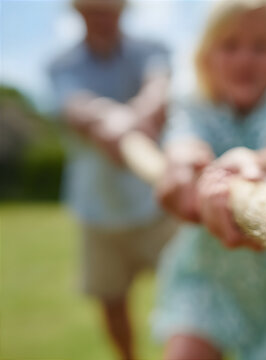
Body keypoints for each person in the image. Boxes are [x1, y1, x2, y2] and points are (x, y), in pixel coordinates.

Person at [152, 1, 266, 359]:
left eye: (262, 47)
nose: (244, 59)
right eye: (230, 45)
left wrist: (255, 166)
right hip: (207, 269)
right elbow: (185, 143)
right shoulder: (195, 101)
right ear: (207, 55)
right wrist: (183, 166)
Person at [47, 0, 174, 359]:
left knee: (188, 294)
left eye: (109, 9)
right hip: (98, 207)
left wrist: (129, 121)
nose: (102, 17)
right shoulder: (62, 64)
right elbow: (77, 109)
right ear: (77, 12)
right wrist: (106, 118)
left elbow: (157, 92)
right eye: (93, 10)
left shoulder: (151, 50)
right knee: (112, 301)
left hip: (158, 201)